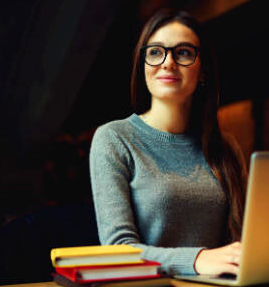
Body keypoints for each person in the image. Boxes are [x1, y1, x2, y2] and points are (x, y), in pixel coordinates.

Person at [89, 9, 247, 276]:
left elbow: (244, 238)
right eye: (155, 52)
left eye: (183, 52)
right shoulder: (114, 139)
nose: (168, 62)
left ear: (203, 70)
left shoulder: (226, 147)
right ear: (143, 65)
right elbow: (117, 251)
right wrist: (197, 260)